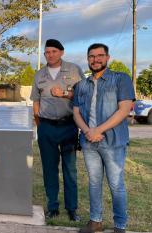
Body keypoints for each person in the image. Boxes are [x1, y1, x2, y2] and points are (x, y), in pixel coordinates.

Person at [73, 43, 135, 233]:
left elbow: (124, 109)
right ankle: (95, 221)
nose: (95, 59)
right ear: (87, 59)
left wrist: (98, 129)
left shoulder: (120, 79)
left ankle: (120, 225)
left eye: (100, 55)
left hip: (113, 142)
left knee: (116, 185)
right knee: (94, 182)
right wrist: (87, 131)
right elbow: (76, 112)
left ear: (107, 58)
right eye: (91, 56)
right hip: (89, 142)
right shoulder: (81, 85)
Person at [30, 39, 84, 221]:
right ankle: (52, 206)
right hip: (46, 127)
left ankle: (72, 208)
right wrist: (39, 124)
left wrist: (66, 94)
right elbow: (35, 101)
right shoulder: (39, 75)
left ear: (61, 52)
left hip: (68, 126)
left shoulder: (74, 70)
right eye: (47, 52)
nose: (50, 55)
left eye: (53, 51)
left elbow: (84, 94)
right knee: (49, 169)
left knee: (70, 169)